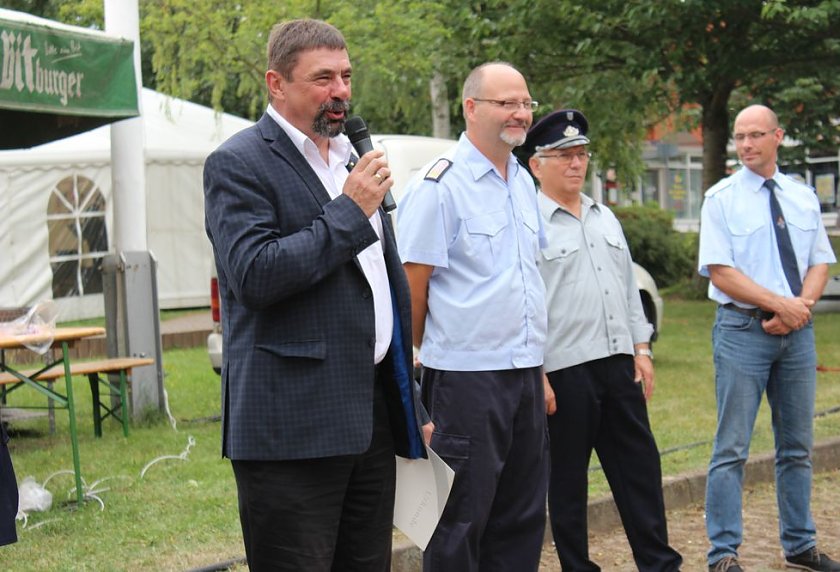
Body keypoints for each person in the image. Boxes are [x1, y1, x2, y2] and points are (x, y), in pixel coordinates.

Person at [203, 18, 430, 571]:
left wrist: (410, 396)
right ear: (276, 83)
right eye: (323, 78)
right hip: (291, 430)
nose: (342, 92)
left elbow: (381, 286)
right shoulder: (238, 163)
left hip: (370, 419)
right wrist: (350, 213)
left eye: (347, 76)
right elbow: (255, 275)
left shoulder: (350, 160)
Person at [396, 61, 549, 572]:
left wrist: (540, 371)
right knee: (460, 523)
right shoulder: (440, 186)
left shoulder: (524, 184)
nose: (520, 113)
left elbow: (525, 285)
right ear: (471, 108)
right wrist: (421, 367)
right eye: (506, 103)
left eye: (525, 103)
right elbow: (412, 290)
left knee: (522, 518)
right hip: (466, 380)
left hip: (524, 376)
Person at [524, 109, 683, 572]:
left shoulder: (604, 216)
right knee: (568, 482)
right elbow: (526, 305)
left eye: (581, 155)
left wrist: (643, 349)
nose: (576, 164)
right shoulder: (530, 223)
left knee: (640, 472)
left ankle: (658, 563)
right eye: (564, 156)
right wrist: (539, 372)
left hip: (618, 365)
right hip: (565, 370)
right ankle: (578, 566)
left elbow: (628, 289)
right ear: (537, 165)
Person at [698, 104, 840, 572]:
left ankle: (800, 545)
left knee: (798, 447)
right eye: (739, 137)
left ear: (778, 136)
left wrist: (798, 307)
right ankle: (723, 553)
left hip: (797, 335)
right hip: (743, 330)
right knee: (732, 448)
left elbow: (820, 260)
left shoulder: (801, 196)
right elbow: (720, 272)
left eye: (755, 135)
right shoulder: (720, 198)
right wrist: (781, 304)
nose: (745, 145)